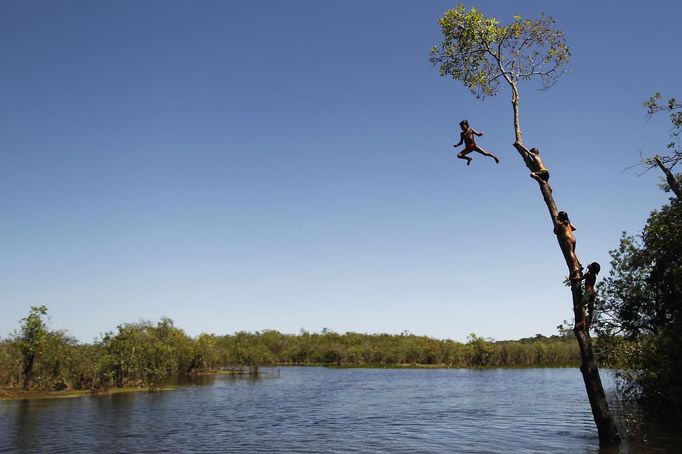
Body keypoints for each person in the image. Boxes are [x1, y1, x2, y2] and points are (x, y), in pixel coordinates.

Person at [554, 211, 581, 280]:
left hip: (567, 238)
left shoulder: (560, 223)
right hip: (573, 238)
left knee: (570, 252)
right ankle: (579, 264)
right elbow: (574, 228)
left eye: (558, 216)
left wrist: (558, 226)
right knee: (573, 252)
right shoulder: (568, 223)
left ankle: (575, 268)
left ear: (560, 217)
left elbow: (555, 231)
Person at [575, 262, 601, 329]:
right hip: (593, 292)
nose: (589, 265)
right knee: (590, 308)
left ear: (592, 268)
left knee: (581, 306)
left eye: (591, 265)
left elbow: (579, 279)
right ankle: (589, 324)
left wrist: (572, 279)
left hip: (588, 292)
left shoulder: (588, 274)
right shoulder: (593, 275)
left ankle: (583, 322)